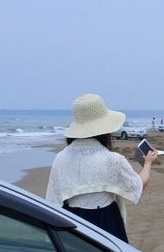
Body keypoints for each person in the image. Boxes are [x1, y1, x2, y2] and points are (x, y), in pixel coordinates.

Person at [46, 93, 157, 242]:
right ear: (105, 129)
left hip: (71, 221)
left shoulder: (61, 158)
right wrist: (148, 163)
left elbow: (53, 199)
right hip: (107, 220)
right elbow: (138, 184)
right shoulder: (112, 159)